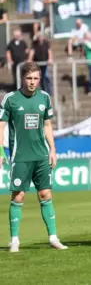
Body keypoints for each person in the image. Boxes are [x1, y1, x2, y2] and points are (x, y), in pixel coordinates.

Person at [0, 62, 67, 252]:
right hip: (20, 156)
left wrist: (53, 149)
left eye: (36, 78)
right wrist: (0, 150)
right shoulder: (10, 99)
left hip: (41, 155)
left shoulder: (44, 97)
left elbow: (47, 125)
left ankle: (53, 237)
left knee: (45, 194)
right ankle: (14, 240)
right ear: (22, 78)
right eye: (29, 78)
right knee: (18, 196)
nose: (32, 82)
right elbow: (1, 125)